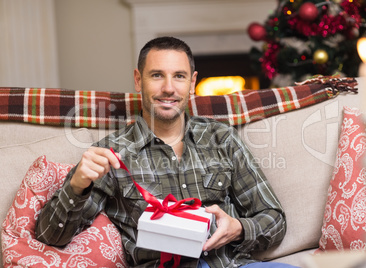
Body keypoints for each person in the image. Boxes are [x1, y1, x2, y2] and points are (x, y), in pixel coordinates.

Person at [35, 36, 296, 268]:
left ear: (193, 82)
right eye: (157, 75)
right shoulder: (110, 154)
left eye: (179, 76)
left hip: (231, 264)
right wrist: (77, 185)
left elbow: (274, 218)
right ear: (138, 80)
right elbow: (49, 235)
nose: (169, 88)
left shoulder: (222, 138)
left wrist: (239, 228)